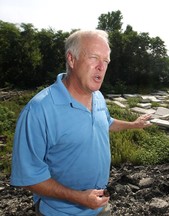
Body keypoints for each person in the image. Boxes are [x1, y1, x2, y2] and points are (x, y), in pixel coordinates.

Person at [10, 29, 152, 216]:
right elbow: (29, 177)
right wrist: (79, 197)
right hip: (59, 212)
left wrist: (133, 125)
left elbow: (106, 123)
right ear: (71, 59)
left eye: (106, 61)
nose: (102, 67)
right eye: (94, 58)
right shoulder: (39, 110)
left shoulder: (98, 97)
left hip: (100, 206)